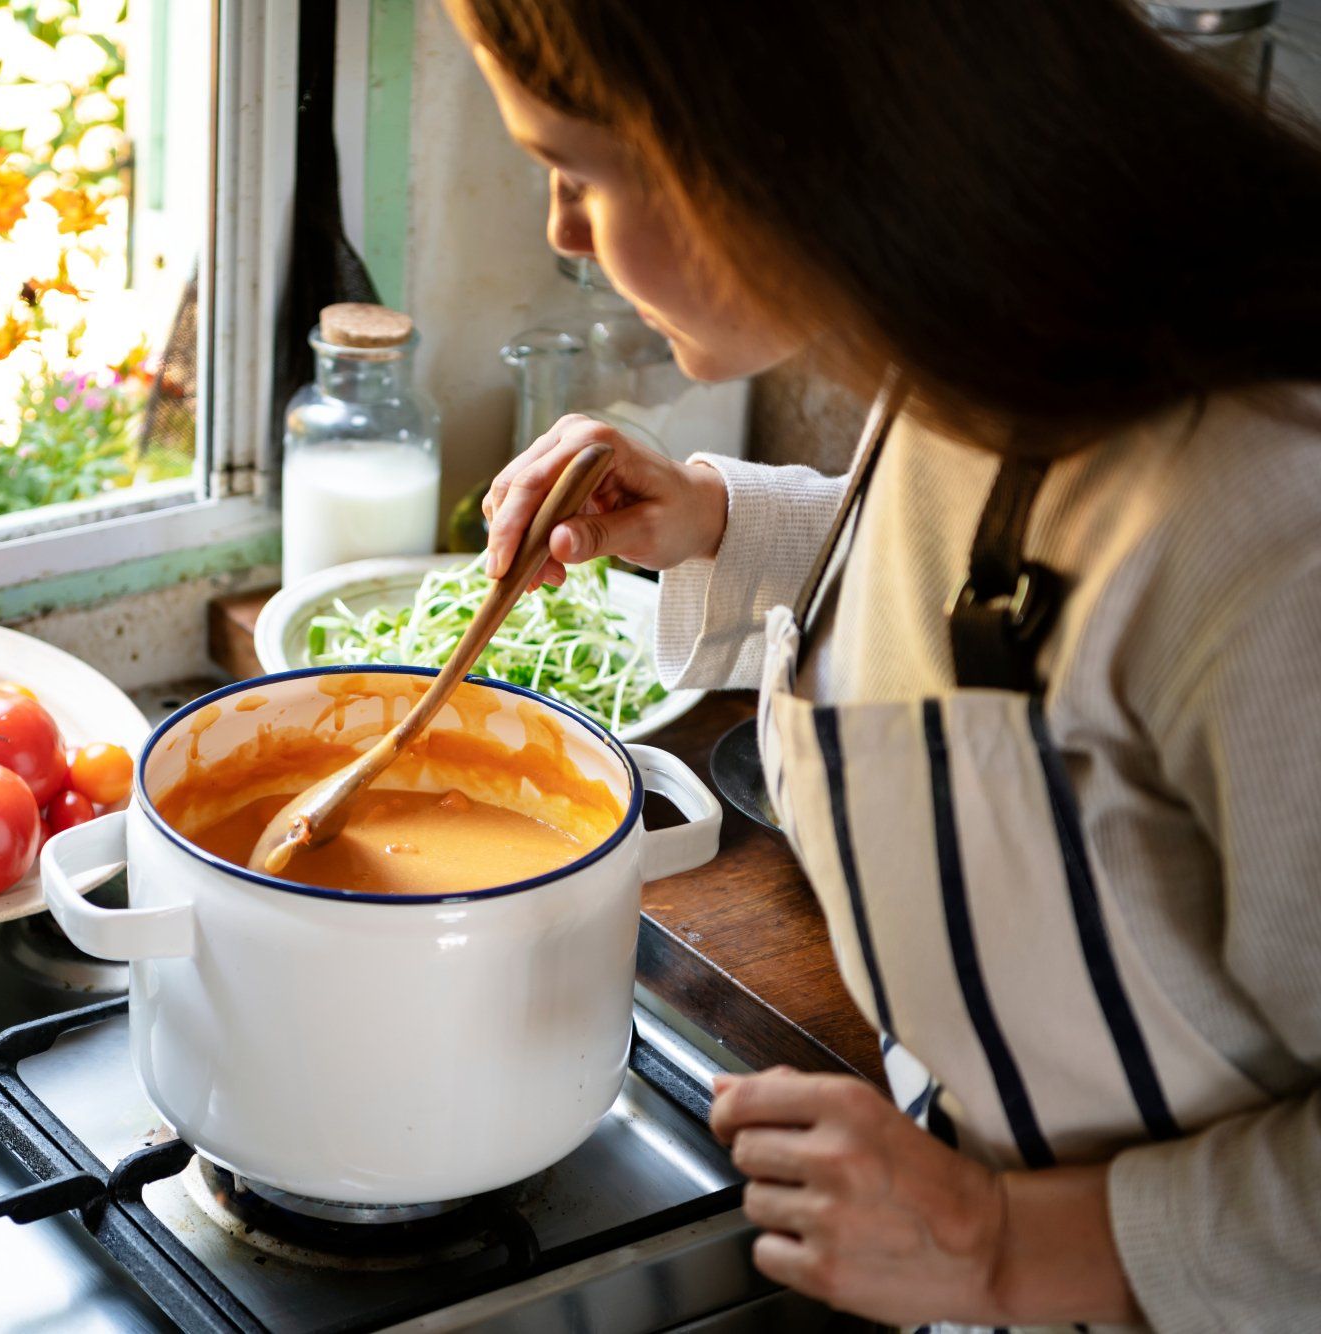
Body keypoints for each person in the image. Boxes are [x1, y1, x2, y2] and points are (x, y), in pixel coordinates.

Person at [446, 3, 1321, 1332]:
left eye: (577, 170)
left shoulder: (1262, 526)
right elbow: (992, 590)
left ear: (767, 143)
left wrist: (1006, 1246)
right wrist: (721, 523)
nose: (564, 231)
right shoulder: (1000, 328)